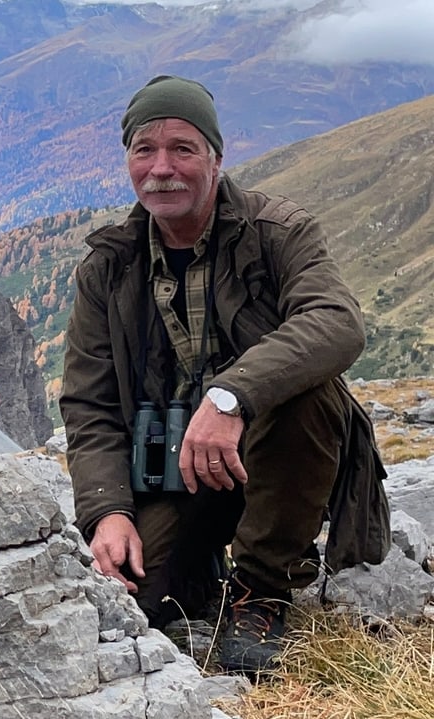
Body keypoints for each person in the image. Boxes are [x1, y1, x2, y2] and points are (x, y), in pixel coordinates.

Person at [60, 75, 388, 673]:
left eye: (183, 149)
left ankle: (260, 586)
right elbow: (90, 405)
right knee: (133, 600)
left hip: (274, 453)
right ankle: (202, 561)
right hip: (175, 468)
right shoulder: (108, 268)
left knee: (309, 390)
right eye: (144, 150)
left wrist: (231, 396)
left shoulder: (278, 233)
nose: (162, 168)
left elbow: (337, 322)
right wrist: (107, 511)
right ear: (128, 159)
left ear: (215, 155)